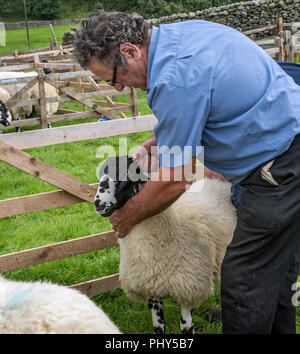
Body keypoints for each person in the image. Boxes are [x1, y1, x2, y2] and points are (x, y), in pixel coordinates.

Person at [74, 10, 300, 334]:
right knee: (275, 270)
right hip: (285, 144)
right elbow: (205, 100)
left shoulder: (172, 78)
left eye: (113, 78)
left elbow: (176, 180)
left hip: (279, 167)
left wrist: (128, 217)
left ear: (129, 52)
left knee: (243, 280)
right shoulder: (180, 38)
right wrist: (160, 139)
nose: (120, 89)